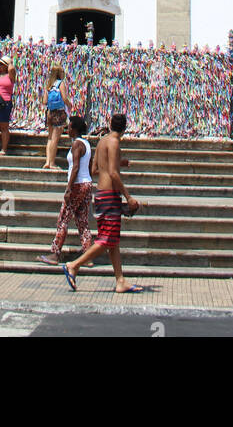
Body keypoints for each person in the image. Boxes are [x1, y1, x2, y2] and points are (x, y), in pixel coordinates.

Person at [63, 113, 141, 293]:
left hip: (101, 193)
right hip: (109, 195)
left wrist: (117, 163)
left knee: (113, 240)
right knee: (106, 239)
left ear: (111, 125)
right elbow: (113, 173)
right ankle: (74, 265)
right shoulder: (114, 143)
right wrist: (128, 197)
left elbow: (95, 169)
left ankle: (120, 280)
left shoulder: (102, 142)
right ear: (124, 128)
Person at [38, 115, 94, 264]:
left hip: (77, 184)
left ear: (74, 129)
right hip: (87, 183)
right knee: (82, 221)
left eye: (69, 127)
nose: (67, 129)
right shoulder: (87, 144)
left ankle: (55, 253)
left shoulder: (77, 144)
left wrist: (69, 188)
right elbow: (89, 167)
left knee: (63, 218)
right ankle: (88, 256)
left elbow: (75, 167)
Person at [41, 64, 69, 171]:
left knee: (49, 138)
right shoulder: (60, 84)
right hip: (59, 112)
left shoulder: (49, 85)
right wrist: (69, 105)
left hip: (50, 112)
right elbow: (64, 98)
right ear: (59, 73)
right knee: (55, 138)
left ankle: (47, 161)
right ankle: (52, 163)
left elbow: (44, 101)